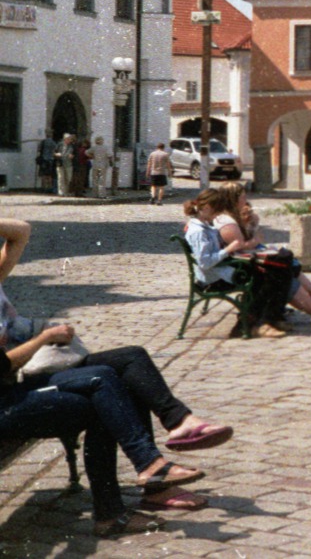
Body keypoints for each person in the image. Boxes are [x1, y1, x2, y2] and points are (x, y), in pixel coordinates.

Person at [1, 219, 218, 533]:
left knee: (129, 366)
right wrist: (43, 339)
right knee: (105, 388)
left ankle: (171, 440)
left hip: (22, 384)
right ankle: (134, 485)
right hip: (9, 401)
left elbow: (20, 230)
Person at [207, 184, 311, 323]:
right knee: (282, 273)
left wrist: (253, 225)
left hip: (242, 262)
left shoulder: (231, 217)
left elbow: (242, 244)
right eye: (243, 197)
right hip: (236, 269)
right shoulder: (226, 222)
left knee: (285, 263)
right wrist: (256, 240)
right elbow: (240, 247)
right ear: (233, 199)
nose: (245, 200)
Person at [183, 196, 289, 338]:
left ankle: (269, 318)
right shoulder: (198, 231)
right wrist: (228, 249)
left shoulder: (206, 226)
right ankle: (249, 324)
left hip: (222, 269)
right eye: (218, 211)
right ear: (207, 208)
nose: (219, 216)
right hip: (214, 278)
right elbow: (205, 262)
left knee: (278, 267)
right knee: (267, 275)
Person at [146, 142, 172, 206]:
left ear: (157, 147)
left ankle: (153, 197)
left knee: (153, 186)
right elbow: (168, 165)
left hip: (153, 172)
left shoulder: (152, 154)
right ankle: (159, 200)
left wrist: (147, 172)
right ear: (163, 147)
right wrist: (169, 172)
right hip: (162, 173)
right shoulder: (165, 154)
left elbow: (149, 164)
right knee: (161, 187)